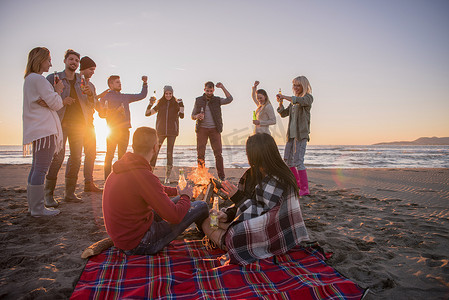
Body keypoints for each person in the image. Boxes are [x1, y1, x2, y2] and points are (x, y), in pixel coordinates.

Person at [200, 133, 309, 265]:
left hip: (276, 229)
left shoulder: (278, 179)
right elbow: (247, 205)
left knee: (234, 234)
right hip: (256, 222)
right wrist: (227, 215)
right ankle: (225, 236)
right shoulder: (253, 174)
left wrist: (237, 197)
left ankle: (226, 242)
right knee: (210, 221)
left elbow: (263, 213)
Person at [102, 127, 209, 255]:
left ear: (134, 145)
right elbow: (174, 216)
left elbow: (153, 189)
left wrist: (177, 191)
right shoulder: (143, 175)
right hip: (139, 244)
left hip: (124, 237)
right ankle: (207, 233)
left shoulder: (123, 168)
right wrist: (186, 196)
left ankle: (202, 228)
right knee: (201, 205)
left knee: (179, 200)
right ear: (155, 148)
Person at [23, 47, 73, 216]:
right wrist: (58, 90)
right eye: (49, 59)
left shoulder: (30, 79)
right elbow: (57, 104)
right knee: (41, 169)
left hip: (37, 130)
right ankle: (38, 209)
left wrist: (50, 96)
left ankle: (33, 207)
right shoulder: (39, 79)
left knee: (35, 168)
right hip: (45, 130)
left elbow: (48, 102)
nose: (51, 63)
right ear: (40, 60)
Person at [45, 49, 94, 204]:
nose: (74, 62)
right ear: (65, 61)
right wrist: (62, 100)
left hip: (79, 125)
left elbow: (92, 105)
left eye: (76, 61)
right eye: (71, 59)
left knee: (76, 157)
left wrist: (90, 94)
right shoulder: (54, 78)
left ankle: (69, 193)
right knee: (58, 157)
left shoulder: (83, 81)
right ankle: (48, 194)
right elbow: (45, 99)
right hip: (60, 123)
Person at [99, 75, 148, 179]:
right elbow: (102, 114)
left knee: (122, 157)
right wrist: (115, 111)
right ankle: (107, 180)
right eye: (117, 82)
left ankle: (119, 179)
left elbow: (142, 95)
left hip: (125, 130)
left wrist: (145, 83)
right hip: (112, 130)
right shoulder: (105, 97)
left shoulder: (125, 97)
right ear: (111, 85)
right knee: (109, 155)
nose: (120, 84)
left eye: (120, 82)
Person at [276, 76, 313, 196]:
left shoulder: (307, 98)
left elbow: (297, 100)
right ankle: (297, 184)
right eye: (294, 85)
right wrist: (280, 103)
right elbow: (283, 114)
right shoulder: (292, 103)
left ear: (303, 85)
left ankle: (305, 188)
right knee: (287, 160)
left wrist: (285, 97)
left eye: (298, 85)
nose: (295, 87)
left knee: (298, 160)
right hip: (290, 136)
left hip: (300, 135)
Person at [191, 81, 233, 180]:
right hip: (202, 129)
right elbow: (192, 116)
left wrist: (222, 87)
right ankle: (201, 176)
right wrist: (197, 116)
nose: (209, 93)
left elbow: (230, 99)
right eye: (207, 91)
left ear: (213, 90)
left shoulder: (217, 100)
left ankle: (221, 177)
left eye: (211, 91)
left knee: (218, 154)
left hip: (215, 129)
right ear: (204, 90)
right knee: (200, 154)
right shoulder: (198, 100)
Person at [145, 85, 184, 183]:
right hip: (160, 132)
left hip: (172, 132)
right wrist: (150, 104)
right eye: (166, 93)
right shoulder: (160, 104)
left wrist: (181, 105)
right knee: (155, 152)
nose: (168, 95)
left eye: (170, 93)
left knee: (169, 153)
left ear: (172, 93)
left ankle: (167, 177)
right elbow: (147, 113)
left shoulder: (176, 104)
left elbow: (182, 116)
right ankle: (151, 173)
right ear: (164, 93)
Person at [79, 56, 102, 193]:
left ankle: (89, 183)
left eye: (94, 69)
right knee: (75, 156)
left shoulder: (92, 86)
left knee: (91, 153)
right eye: (91, 69)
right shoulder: (74, 82)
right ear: (83, 68)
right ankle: (70, 189)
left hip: (90, 124)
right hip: (75, 123)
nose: (93, 72)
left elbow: (94, 104)